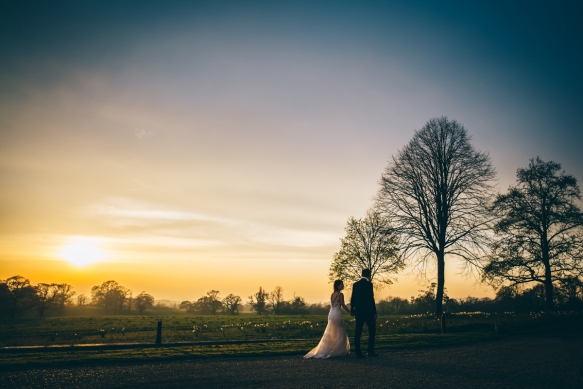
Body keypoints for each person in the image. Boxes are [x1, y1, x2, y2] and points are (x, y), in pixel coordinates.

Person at [304, 280, 350, 359]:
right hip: (337, 314)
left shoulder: (332, 294)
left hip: (331, 314)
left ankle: (330, 349)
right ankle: (338, 350)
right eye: (342, 284)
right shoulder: (340, 294)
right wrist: (350, 312)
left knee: (332, 331)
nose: (343, 286)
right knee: (341, 331)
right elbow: (343, 305)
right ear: (338, 286)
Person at [350, 268, 377, 358]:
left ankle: (358, 352)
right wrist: (374, 312)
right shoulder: (369, 285)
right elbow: (371, 299)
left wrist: (352, 308)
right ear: (369, 275)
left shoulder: (355, 285)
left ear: (362, 274)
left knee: (358, 331)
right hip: (368, 311)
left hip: (359, 311)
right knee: (372, 330)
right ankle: (370, 351)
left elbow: (353, 298)